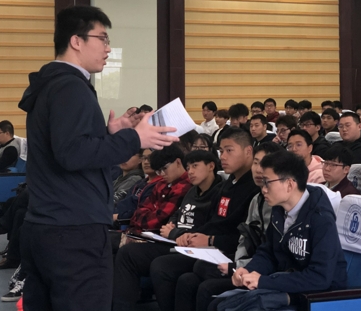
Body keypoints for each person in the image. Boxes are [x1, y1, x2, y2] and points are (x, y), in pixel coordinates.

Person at [18, 5, 177, 311]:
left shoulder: (51, 83)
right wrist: (135, 139)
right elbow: (72, 153)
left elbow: (65, 145)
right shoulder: (71, 86)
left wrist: (109, 134)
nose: (107, 48)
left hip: (46, 223)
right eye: (102, 38)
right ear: (76, 41)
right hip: (73, 229)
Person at [145, 128, 260, 311]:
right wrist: (192, 235)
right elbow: (214, 222)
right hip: (212, 247)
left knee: (168, 267)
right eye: (221, 151)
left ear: (248, 151)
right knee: (185, 279)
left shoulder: (255, 188)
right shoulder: (228, 184)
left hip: (233, 252)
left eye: (229, 150)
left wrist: (210, 240)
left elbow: (244, 236)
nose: (223, 156)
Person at [225, 151, 347, 307]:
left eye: (267, 182)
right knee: (220, 302)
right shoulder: (279, 209)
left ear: (290, 184)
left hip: (317, 296)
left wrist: (264, 281)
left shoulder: (321, 219)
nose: (263, 189)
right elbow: (269, 252)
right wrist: (249, 270)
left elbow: (320, 277)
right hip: (287, 283)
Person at [111, 150, 223, 311]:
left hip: (188, 244)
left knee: (136, 256)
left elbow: (206, 227)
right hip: (167, 237)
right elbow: (166, 214)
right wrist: (171, 227)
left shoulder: (211, 191)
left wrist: (174, 232)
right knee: (111, 245)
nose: (190, 171)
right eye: (189, 167)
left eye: (195, 166)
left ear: (211, 166)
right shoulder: (190, 190)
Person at [184, 142, 281, 311]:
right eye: (256, 163)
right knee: (189, 279)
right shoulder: (256, 199)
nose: (259, 170)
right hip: (249, 262)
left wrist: (241, 267)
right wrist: (238, 263)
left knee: (207, 288)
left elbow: (273, 251)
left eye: (265, 164)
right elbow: (245, 237)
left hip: (265, 270)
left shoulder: (280, 202)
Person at [125, 144, 192, 235]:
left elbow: (160, 220)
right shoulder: (161, 184)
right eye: (159, 171)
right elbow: (139, 211)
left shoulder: (185, 186)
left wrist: (142, 219)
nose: (162, 174)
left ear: (178, 162)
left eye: (164, 168)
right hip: (143, 233)